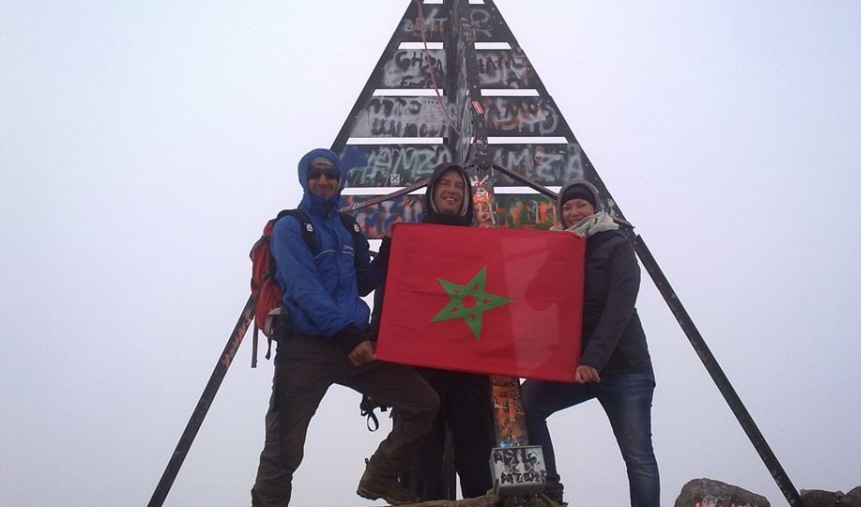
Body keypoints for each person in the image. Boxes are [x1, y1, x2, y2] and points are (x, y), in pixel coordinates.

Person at [250, 148, 439, 507]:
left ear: (340, 181)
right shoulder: (291, 226)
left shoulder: (348, 228)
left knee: (422, 402)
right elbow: (304, 288)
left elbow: (363, 282)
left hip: (353, 345)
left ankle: (380, 474)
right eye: (316, 173)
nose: (323, 180)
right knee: (282, 451)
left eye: (331, 175)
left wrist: (389, 248)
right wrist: (347, 335)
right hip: (306, 350)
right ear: (305, 178)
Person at [521, 179, 660, 507]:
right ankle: (550, 494)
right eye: (567, 207)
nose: (573, 213)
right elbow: (535, 298)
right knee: (526, 405)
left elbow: (619, 309)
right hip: (574, 364)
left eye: (580, 205)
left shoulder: (617, 245)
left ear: (594, 208)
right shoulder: (562, 247)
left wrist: (593, 360)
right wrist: (551, 257)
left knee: (637, 457)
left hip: (623, 367)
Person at [371, 163, 496, 501]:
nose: (452, 189)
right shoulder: (407, 239)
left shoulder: (484, 244)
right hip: (418, 370)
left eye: (459, 185)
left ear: (467, 196)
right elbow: (387, 298)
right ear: (432, 192)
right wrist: (376, 353)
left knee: (478, 462)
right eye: (445, 183)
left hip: (471, 371)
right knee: (420, 465)